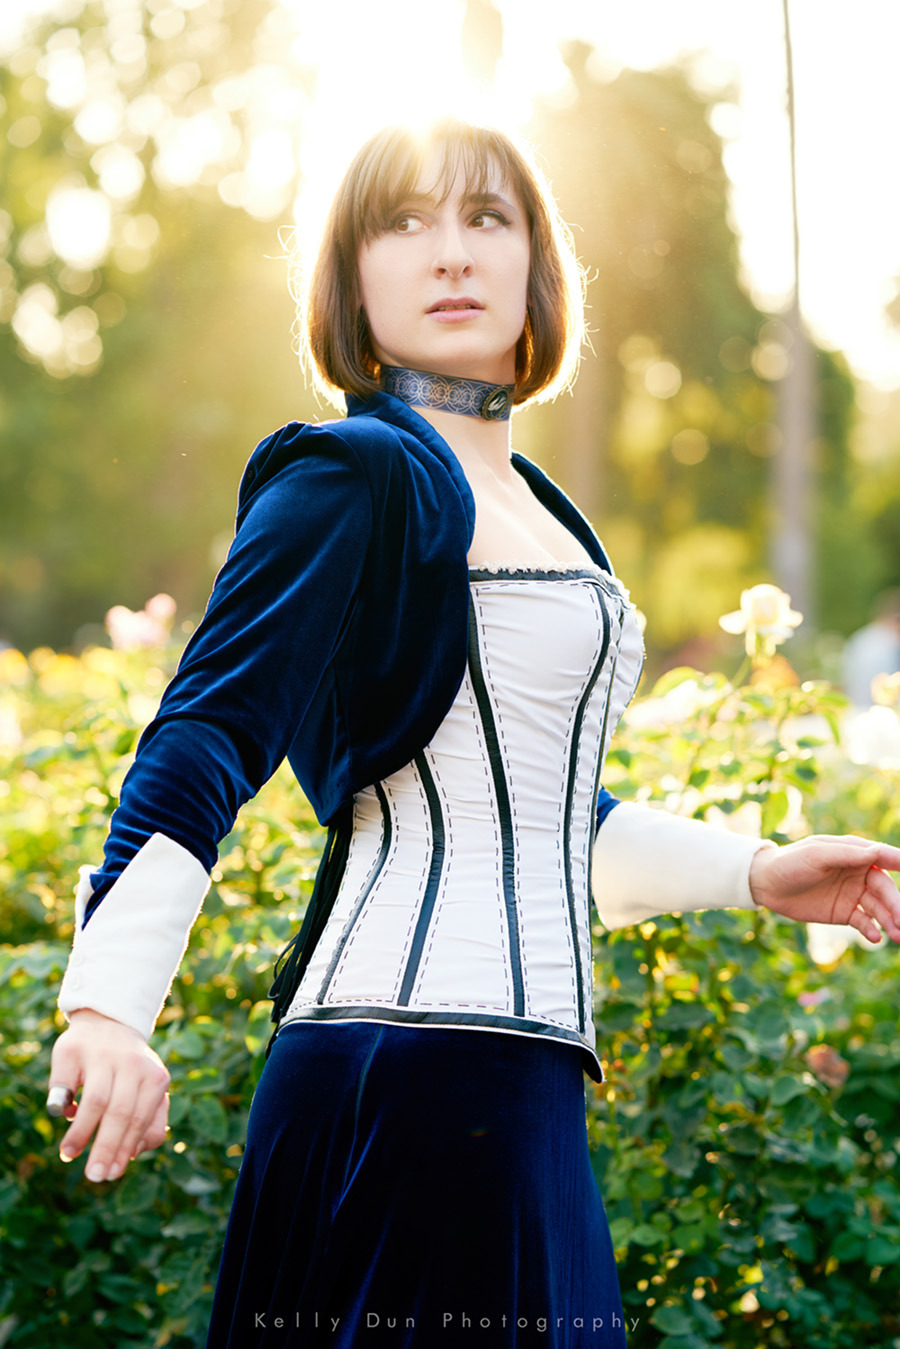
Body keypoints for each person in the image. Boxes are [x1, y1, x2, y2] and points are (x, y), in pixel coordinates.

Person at [47, 119, 900, 1348]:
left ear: (537, 262)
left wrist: (755, 872)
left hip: (524, 1091)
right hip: (400, 1077)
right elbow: (206, 731)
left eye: (486, 217)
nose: (450, 251)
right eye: (404, 221)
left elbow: (531, 814)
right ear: (351, 278)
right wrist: (107, 1008)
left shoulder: (545, 509)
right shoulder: (348, 474)